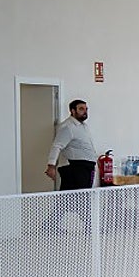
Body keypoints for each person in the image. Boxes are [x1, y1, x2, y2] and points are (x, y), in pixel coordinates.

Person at [43, 99, 99, 236]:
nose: (85, 112)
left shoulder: (83, 126)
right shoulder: (68, 127)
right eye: (81, 109)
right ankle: (89, 228)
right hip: (76, 168)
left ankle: (50, 225)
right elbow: (57, 146)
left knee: (67, 199)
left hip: (86, 167)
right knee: (80, 198)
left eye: (86, 109)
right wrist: (51, 166)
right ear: (72, 111)